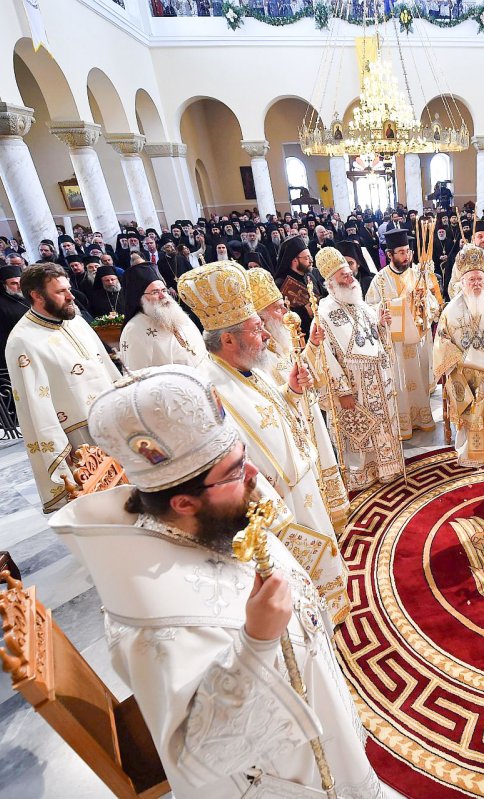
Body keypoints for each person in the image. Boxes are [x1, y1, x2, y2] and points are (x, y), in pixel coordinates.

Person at [50, 366, 382, 798]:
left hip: (322, 725)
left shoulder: (217, 522)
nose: (256, 475)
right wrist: (258, 641)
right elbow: (200, 760)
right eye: (236, 470)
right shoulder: (153, 622)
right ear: (184, 502)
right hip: (287, 779)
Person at [178, 260, 350, 624]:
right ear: (227, 339)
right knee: (300, 590)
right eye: (257, 329)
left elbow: (276, 419)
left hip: (302, 488)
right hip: (278, 508)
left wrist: (292, 390)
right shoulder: (207, 391)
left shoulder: (248, 367)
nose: (267, 336)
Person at [6, 263, 122, 513]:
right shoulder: (22, 342)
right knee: (105, 505)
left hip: (112, 421)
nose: (71, 296)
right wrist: (60, 450)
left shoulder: (75, 320)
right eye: (61, 292)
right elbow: (35, 405)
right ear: (37, 296)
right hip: (78, 438)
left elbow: (106, 368)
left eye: (68, 288)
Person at [249, 264, 349, 528]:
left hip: (308, 412)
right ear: (262, 316)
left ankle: (332, 516)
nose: (285, 311)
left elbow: (300, 367)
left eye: (283, 305)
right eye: (277, 308)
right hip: (294, 423)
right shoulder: (258, 356)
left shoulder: (280, 340)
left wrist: (313, 345)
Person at [308, 246, 405, 489]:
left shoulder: (360, 304)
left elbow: (374, 339)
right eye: (344, 276)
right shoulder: (324, 312)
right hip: (354, 388)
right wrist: (342, 391)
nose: (351, 278)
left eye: (349, 273)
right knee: (360, 434)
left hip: (379, 382)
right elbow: (325, 356)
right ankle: (362, 474)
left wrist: (382, 325)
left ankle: (387, 468)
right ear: (331, 283)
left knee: (382, 426)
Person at [433, 246, 484, 468]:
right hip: (465, 375)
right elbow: (441, 342)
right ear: (462, 282)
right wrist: (459, 361)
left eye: (480, 279)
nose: (476, 283)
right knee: (471, 416)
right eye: (471, 280)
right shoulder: (450, 311)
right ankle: (470, 454)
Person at [365, 228, 438, 439]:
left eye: (408, 251)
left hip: (417, 341)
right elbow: (369, 307)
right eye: (401, 253)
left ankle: (423, 418)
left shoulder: (418, 275)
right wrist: (387, 310)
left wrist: (424, 305)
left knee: (420, 376)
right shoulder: (379, 280)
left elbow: (433, 305)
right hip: (394, 343)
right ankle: (403, 423)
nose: (406, 257)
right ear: (390, 255)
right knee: (399, 382)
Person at [119, 264, 206, 371]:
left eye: (164, 290)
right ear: (140, 298)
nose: (163, 296)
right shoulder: (134, 330)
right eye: (155, 292)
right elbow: (139, 374)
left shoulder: (177, 314)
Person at [0, 264, 29, 368]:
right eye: (14, 283)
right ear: (4, 285)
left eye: (20, 282)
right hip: (20, 352)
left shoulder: (28, 298)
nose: (19, 286)